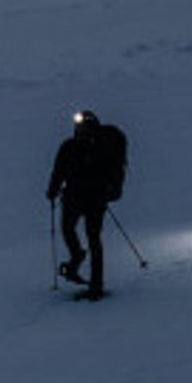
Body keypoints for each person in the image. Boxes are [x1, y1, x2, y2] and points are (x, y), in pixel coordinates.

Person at [44, 108, 127, 299]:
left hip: (93, 199)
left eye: (83, 128)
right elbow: (58, 170)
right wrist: (52, 190)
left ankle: (95, 283)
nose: (81, 131)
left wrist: (53, 191)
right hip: (78, 198)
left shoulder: (96, 148)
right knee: (72, 231)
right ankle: (78, 259)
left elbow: (113, 171)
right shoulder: (69, 147)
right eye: (79, 128)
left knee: (92, 238)